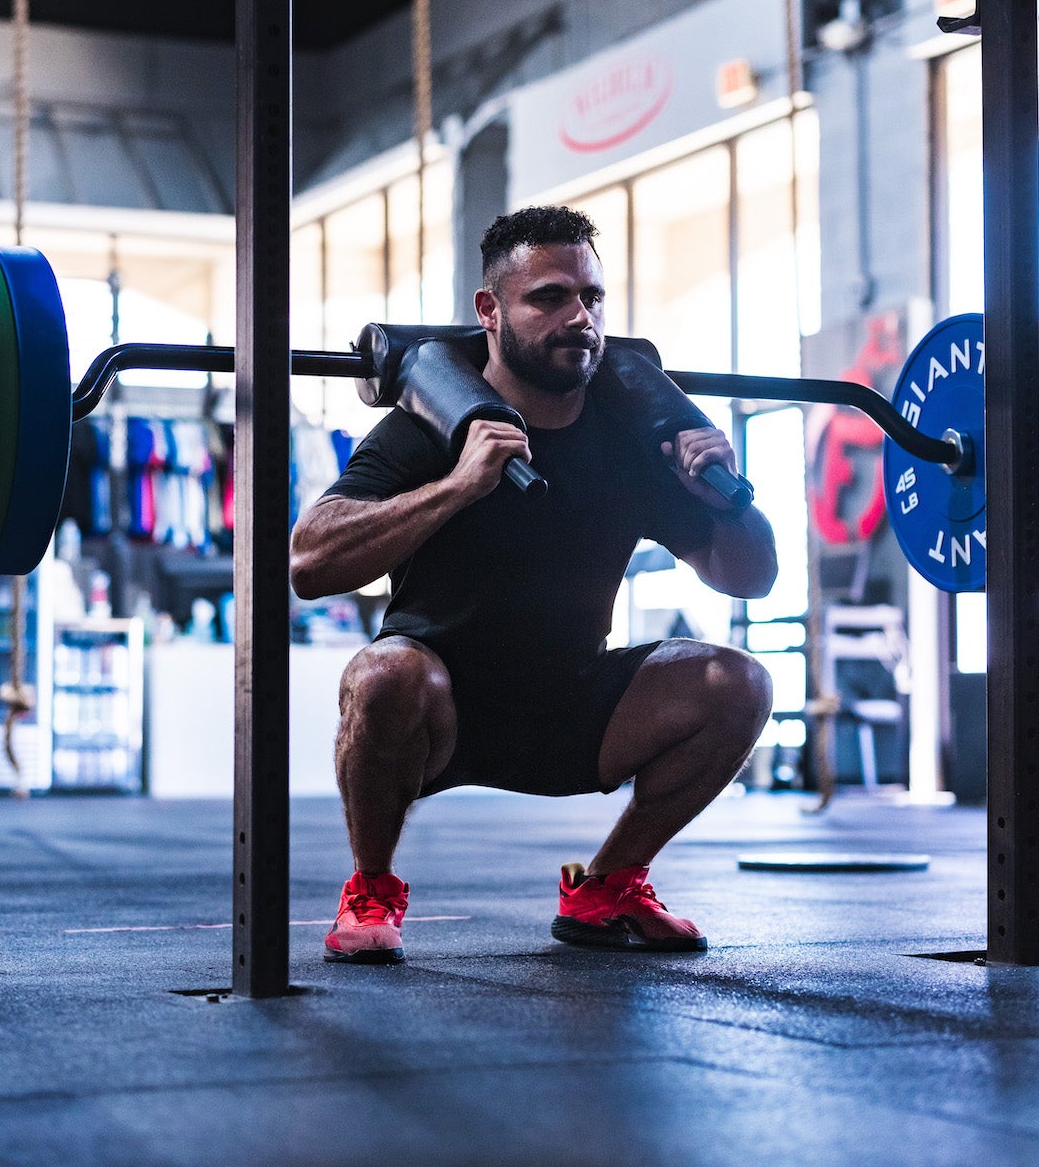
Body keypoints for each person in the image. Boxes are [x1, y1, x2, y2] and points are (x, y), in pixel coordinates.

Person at [290, 205, 778, 963]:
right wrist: (458, 485)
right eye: (548, 297)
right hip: (435, 712)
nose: (578, 318)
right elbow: (309, 564)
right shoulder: (428, 425)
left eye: (591, 297)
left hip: (573, 707)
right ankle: (371, 887)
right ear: (490, 311)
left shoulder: (630, 442)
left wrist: (726, 502)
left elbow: (750, 578)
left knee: (736, 681)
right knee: (381, 671)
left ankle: (608, 887)